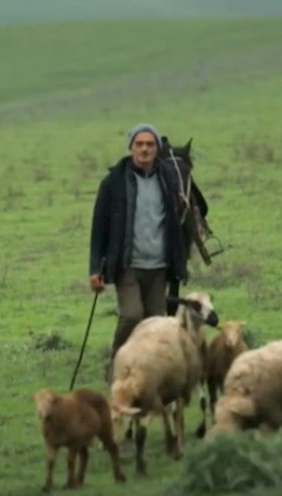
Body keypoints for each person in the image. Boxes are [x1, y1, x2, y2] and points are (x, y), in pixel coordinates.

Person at [88, 123, 207, 383]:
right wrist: (95, 269)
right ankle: (116, 366)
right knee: (131, 315)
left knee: (156, 324)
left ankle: (150, 377)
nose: (145, 149)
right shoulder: (114, 182)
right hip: (128, 264)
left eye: (150, 145)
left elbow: (176, 224)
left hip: (159, 265)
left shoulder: (167, 179)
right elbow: (99, 228)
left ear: (157, 149)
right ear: (131, 147)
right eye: (139, 144)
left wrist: (179, 263)